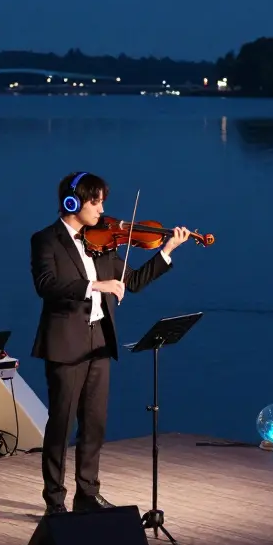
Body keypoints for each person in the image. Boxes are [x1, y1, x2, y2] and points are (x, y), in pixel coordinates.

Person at [30, 171, 191, 515]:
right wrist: (95, 286)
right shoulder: (46, 239)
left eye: (103, 201)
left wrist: (166, 250)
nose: (102, 209)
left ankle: (87, 495)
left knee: (95, 423)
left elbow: (133, 281)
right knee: (61, 425)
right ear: (72, 202)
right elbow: (46, 285)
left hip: (100, 342)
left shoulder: (103, 242)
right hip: (66, 344)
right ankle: (55, 502)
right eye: (96, 202)